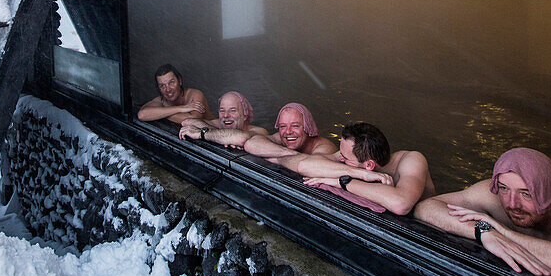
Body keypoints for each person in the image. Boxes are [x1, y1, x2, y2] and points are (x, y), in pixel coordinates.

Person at [413, 147, 551, 276]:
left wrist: (505, 234)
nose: (513, 204)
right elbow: (426, 207)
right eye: (504, 188)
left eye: (526, 194)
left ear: (550, 194)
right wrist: (484, 231)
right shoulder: (493, 196)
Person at [244, 122, 434, 215]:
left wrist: (342, 181)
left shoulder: (412, 161)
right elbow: (304, 164)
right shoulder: (350, 158)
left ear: (369, 165)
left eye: (344, 157)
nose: (339, 158)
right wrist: (356, 173)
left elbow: (401, 204)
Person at [181, 102, 334, 154]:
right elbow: (241, 138)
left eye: (295, 126)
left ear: (308, 127)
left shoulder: (324, 147)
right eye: (282, 127)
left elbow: (306, 167)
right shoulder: (280, 138)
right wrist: (203, 133)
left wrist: (266, 151)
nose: (288, 132)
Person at [137, 64, 215, 125]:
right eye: (162, 86)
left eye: (171, 83)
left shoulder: (194, 94)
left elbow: (194, 120)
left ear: (180, 81)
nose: (168, 89)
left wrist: (160, 114)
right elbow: (142, 115)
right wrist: (181, 108)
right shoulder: (161, 100)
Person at [181, 91, 269, 136]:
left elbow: (239, 138)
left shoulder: (259, 132)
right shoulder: (218, 124)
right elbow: (188, 122)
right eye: (222, 110)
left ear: (245, 115)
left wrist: (207, 133)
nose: (226, 115)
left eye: (232, 110)